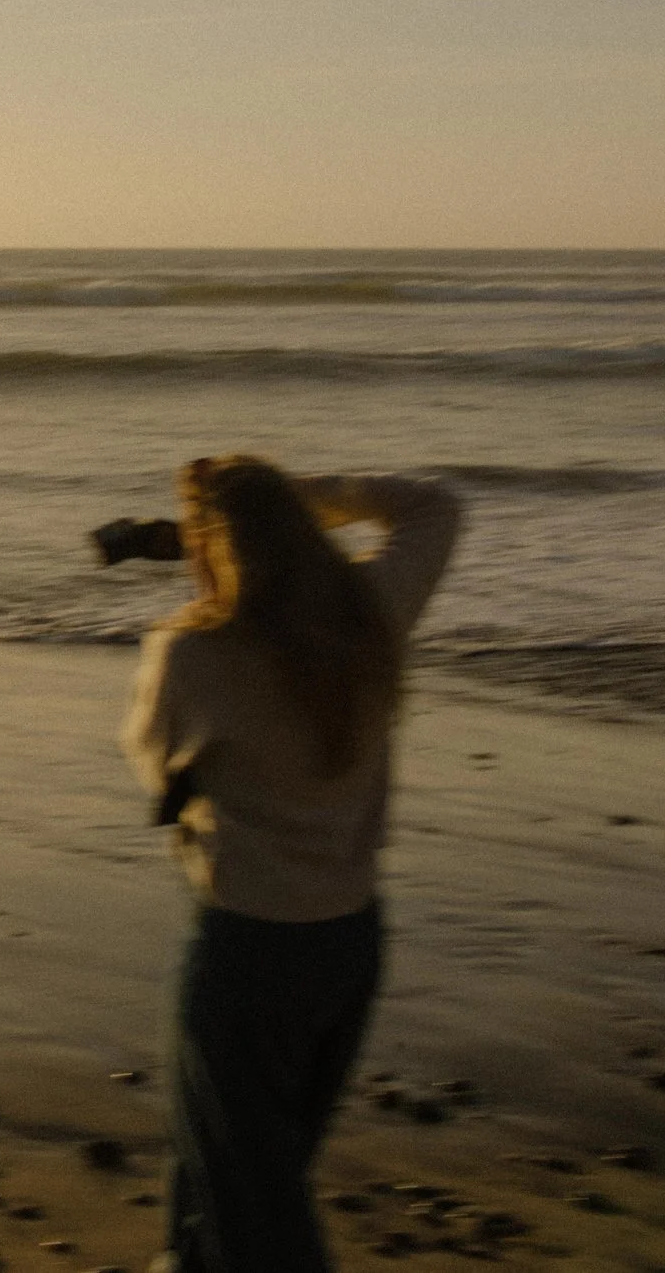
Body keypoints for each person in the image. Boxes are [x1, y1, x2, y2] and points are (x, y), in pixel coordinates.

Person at [121, 458, 462, 1273]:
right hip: (349, 943)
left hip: (248, 949)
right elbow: (434, 504)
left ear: (211, 545)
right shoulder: (372, 612)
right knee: (244, 1170)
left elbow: (152, 758)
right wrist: (297, 499)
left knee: (253, 1195)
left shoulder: (196, 653)